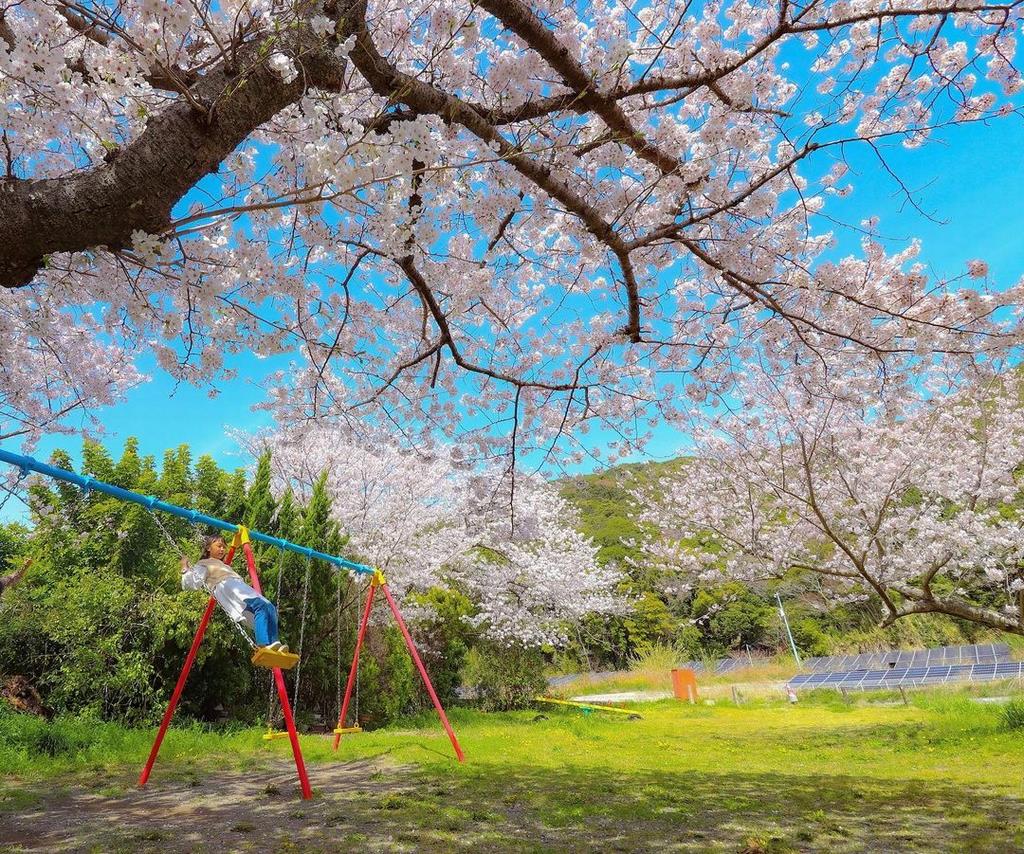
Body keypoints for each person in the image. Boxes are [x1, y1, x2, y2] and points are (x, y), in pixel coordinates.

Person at [180, 534, 288, 653]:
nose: (222, 549)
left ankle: (274, 645)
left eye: (224, 547)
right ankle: (263, 645)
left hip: (239, 586)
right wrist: (185, 567)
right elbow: (190, 584)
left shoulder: (223, 565)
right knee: (260, 606)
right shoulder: (204, 563)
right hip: (226, 586)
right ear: (208, 548)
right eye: (219, 546)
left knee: (270, 608)